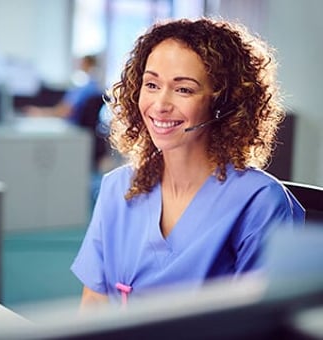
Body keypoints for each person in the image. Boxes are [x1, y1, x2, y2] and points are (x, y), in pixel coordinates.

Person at [70, 18, 305, 308]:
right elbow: (94, 301)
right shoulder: (116, 187)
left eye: (184, 90)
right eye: (152, 84)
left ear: (224, 102)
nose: (160, 105)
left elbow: (264, 323)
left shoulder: (259, 202)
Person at [23, 55, 103, 124]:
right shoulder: (93, 86)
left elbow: (64, 111)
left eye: (80, 62)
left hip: (73, 128)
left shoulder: (84, 89)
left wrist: (41, 113)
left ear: (86, 64)